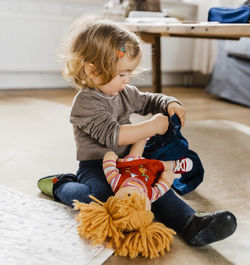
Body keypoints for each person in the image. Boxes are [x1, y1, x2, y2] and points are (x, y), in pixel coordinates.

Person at [37, 16, 236, 247]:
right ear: (92, 70)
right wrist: (151, 126)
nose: (127, 79)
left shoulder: (124, 92)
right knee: (101, 199)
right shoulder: (85, 103)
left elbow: (149, 99)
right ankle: (62, 185)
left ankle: (190, 223)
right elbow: (114, 134)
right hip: (95, 165)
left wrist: (168, 103)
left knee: (155, 189)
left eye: (129, 73)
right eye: (122, 74)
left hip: (129, 162)